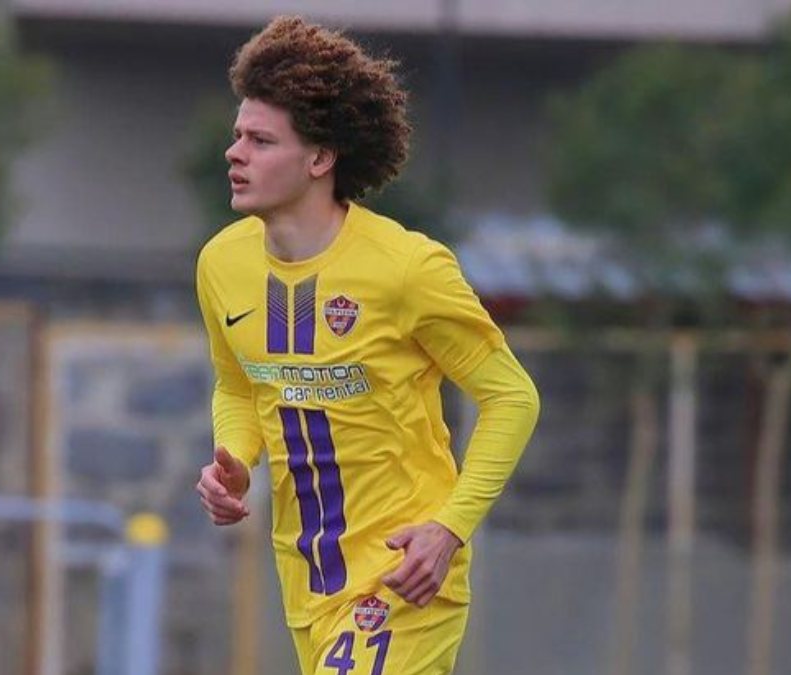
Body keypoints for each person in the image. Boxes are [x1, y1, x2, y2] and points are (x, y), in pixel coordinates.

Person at [194, 15, 540, 675]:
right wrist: (234, 459)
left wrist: (449, 528)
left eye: (261, 140)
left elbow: (512, 397)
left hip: (404, 576)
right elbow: (239, 384)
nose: (235, 153)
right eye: (238, 136)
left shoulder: (407, 269)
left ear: (320, 159)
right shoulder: (221, 264)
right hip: (307, 582)